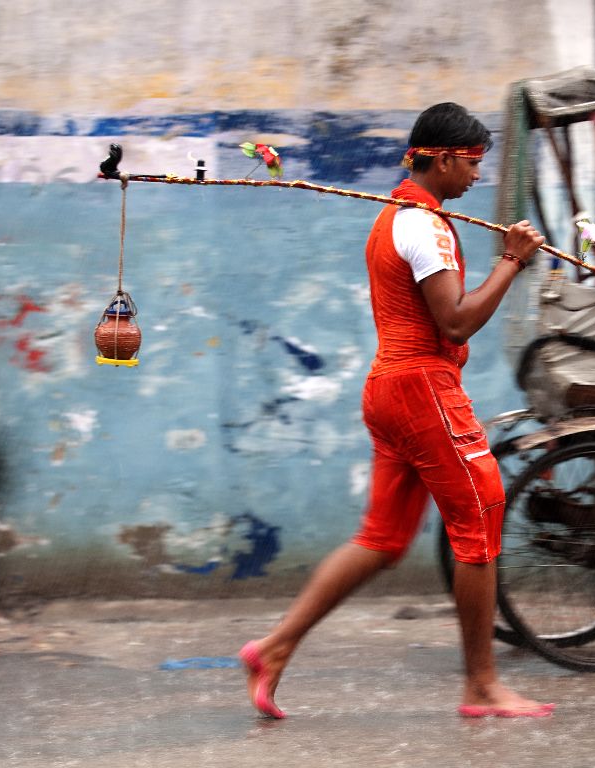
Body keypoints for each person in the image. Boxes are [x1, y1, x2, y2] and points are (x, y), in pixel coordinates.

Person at [238, 103, 552, 720]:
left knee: (382, 538)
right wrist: (511, 261)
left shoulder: (398, 218)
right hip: (421, 390)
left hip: (391, 391)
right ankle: (482, 687)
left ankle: (275, 648)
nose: (474, 178)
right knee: (481, 525)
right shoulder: (423, 226)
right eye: (469, 164)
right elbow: (456, 320)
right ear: (438, 159)